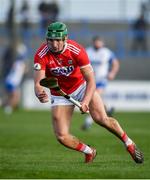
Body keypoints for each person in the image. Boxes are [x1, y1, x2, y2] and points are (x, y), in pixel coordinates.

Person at [34, 22, 144, 164]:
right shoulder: (41, 54)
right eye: (50, 40)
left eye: (57, 40)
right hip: (59, 93)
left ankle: (128, 143)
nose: (54, 44)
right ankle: (89, 151)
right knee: (62, 136)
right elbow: (38, 83)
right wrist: (40, 93)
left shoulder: (77, 51)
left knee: (101, 119)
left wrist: (85, 101)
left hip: (81, 87)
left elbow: (91, 80)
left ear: (65, 39)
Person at [81, 36, 120, 130]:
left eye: (99, 42)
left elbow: (115, 63)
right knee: (97, 100)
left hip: (101, 80)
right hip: (90, 80)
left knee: (93, 98)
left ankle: (88, 121)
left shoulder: (106, 52)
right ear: (93, 42)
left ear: (102, 43)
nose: (97, 44)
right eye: (96, 42)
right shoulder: (88, 51)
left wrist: (112, 73)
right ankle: (108, 108)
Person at [3, 41, 28, 114]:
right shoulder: (20, 63)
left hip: (11, 82)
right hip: (12, 82)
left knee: (15, 96)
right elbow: (24, 70)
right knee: (15, 96)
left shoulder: (18, 62)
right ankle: (8, 109)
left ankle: (10, 107)